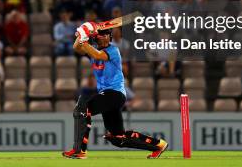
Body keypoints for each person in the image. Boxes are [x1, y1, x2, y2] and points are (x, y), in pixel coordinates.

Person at [62, 23, 168, 159]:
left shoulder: (113, 51)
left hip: (114, 94)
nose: (105, 38)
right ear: (96, 37)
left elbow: (98, 55)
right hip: (108, 96)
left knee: (83, 109)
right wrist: (82, 33)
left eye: (107, 35)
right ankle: (158, 145)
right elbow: (76, 47)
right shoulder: (92, 49)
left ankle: (79, 151)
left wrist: (84, 37)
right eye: (102, 35)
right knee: (118, 138)